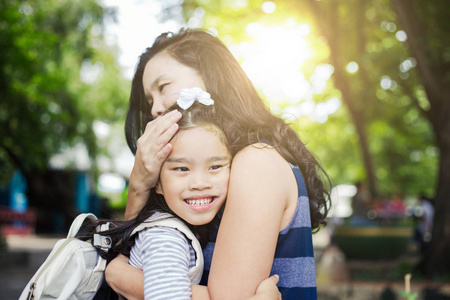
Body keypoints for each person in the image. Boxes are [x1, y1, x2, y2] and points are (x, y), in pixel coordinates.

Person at [106, 28, 331, 300]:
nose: (154, 109)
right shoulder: (211, 180)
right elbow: (143, 255)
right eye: (149, 101)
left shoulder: (255, 162)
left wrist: (123, 277)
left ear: (208, 76)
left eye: (163, 87)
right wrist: (139, 184)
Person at [96, 98, 280, 300]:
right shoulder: (164, 238)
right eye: (182, 169)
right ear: (157, 182)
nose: (199, 183)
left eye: (215, 167)